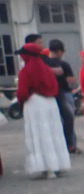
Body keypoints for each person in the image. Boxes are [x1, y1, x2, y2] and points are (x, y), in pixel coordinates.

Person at [16, 42, 71, 179]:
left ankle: (46, 167)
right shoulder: (47, 69)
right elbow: (55, 87)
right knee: (53, 133)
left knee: (39, 134)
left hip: (34, 102)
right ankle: (58, 164)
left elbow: (22, 92)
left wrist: (22, 100)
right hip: (50, 103)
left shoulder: (26, 71)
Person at [45, 39, 80, 155]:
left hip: (49, 96)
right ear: (60, 51)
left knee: (55, 121)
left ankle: (58, 146)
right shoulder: (63, 64)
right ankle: (71, 145)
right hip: (64, 93)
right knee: (69, 120)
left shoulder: (44, 63)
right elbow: (71, 81)